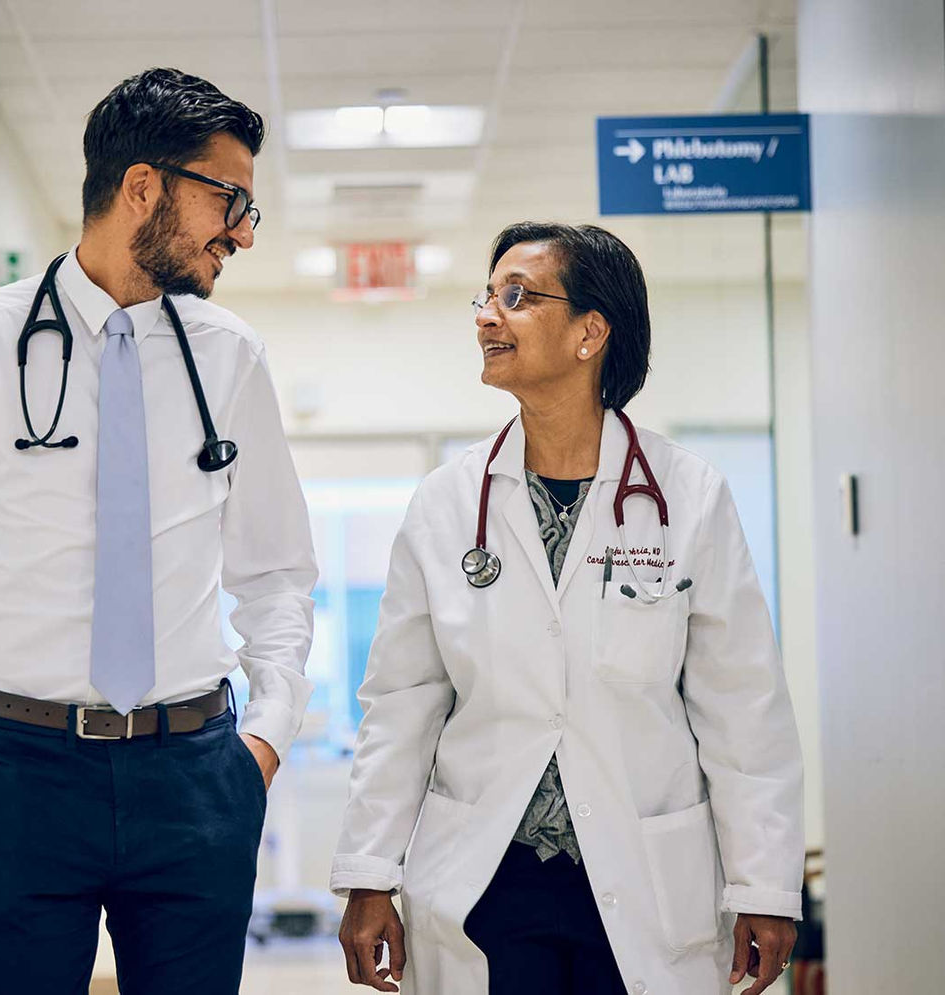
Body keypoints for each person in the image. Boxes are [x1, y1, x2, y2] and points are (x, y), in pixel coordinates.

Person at [0, 68, 316, 994]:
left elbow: (276, 576)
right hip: (21, 773)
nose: (240, 230)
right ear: (143, 186)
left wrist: (264, 738)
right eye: (228, 199)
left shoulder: (231, 356)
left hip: (195, 773)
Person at [332, 222, 803, 995]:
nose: (488, 316)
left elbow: (742, 705)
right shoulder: (447, 504)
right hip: (491, 880)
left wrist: (764, 885)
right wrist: (368, 872)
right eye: (485, 297)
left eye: (516, 297)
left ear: (591, 333)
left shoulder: (688, 496)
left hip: (643, 875)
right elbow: (401, 704)